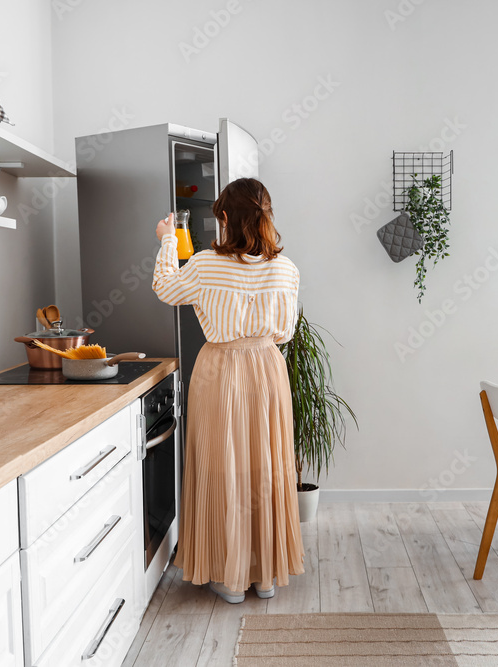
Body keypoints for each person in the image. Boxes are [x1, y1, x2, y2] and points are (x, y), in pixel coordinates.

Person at [152, 177, 304, 603]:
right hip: (268, 369)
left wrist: (167, 241)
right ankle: (264, 575)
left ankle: (229, 575)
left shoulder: (204, 264)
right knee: (266, 464)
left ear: (224, 218)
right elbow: (286, 332)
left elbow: (165, 288)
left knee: (224, 464)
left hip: (221, 369)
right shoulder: (287, 269)